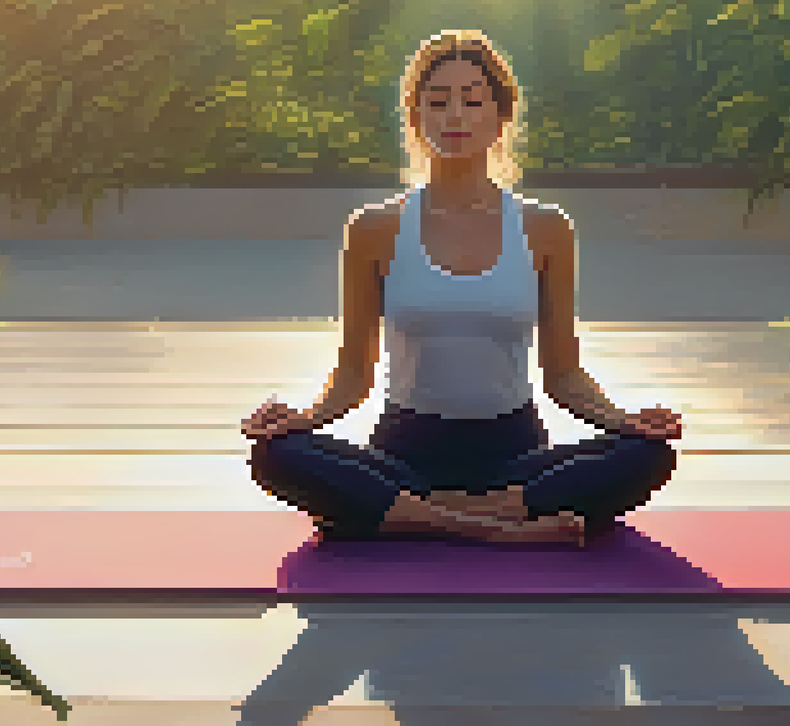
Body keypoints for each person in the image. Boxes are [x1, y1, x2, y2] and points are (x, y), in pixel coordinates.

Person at [241, 29, 681, 547]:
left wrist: (625, 420)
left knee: (649, 455)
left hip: (515, 457)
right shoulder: (372, 229)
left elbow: (564, 375)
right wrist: (301, 419)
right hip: (404, 453)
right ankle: (494, 526)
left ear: (500, 117)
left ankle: (420, 515)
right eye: (438, 102)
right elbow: (353, 374)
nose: (455, 116)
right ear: (415, 116)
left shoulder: (546, 228)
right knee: (275, 455)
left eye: (472, 101)